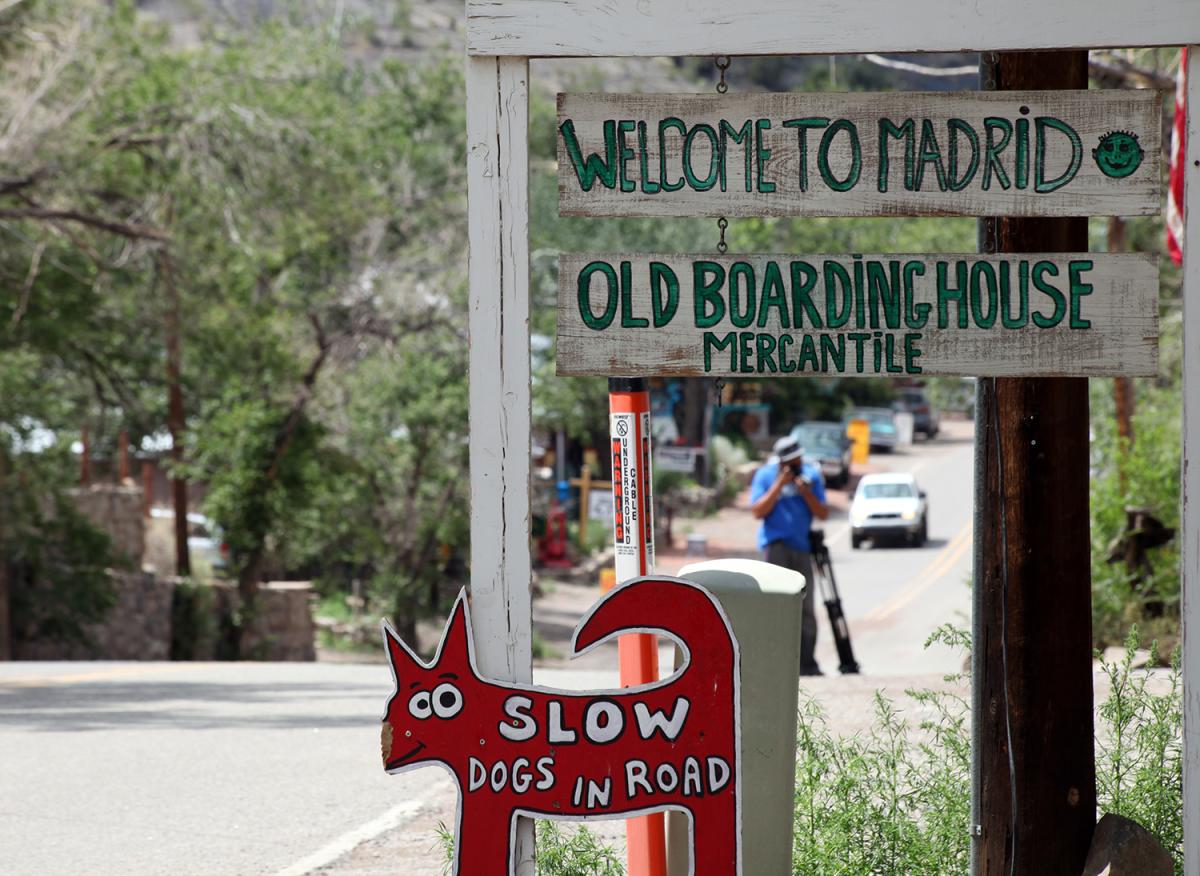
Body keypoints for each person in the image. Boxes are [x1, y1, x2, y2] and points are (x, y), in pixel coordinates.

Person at [750, 436, 829, 676]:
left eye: (798, 461)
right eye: (791, 463)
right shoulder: (765, 476)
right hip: (775, 547)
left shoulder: (811, 476)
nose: (796, 466)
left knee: (805, 608)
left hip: (802, 548)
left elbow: (823, 513)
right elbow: (757, 511)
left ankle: (807, 663)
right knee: (776, 608)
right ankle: (775, 665)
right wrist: (778, 485)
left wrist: (806, 493)